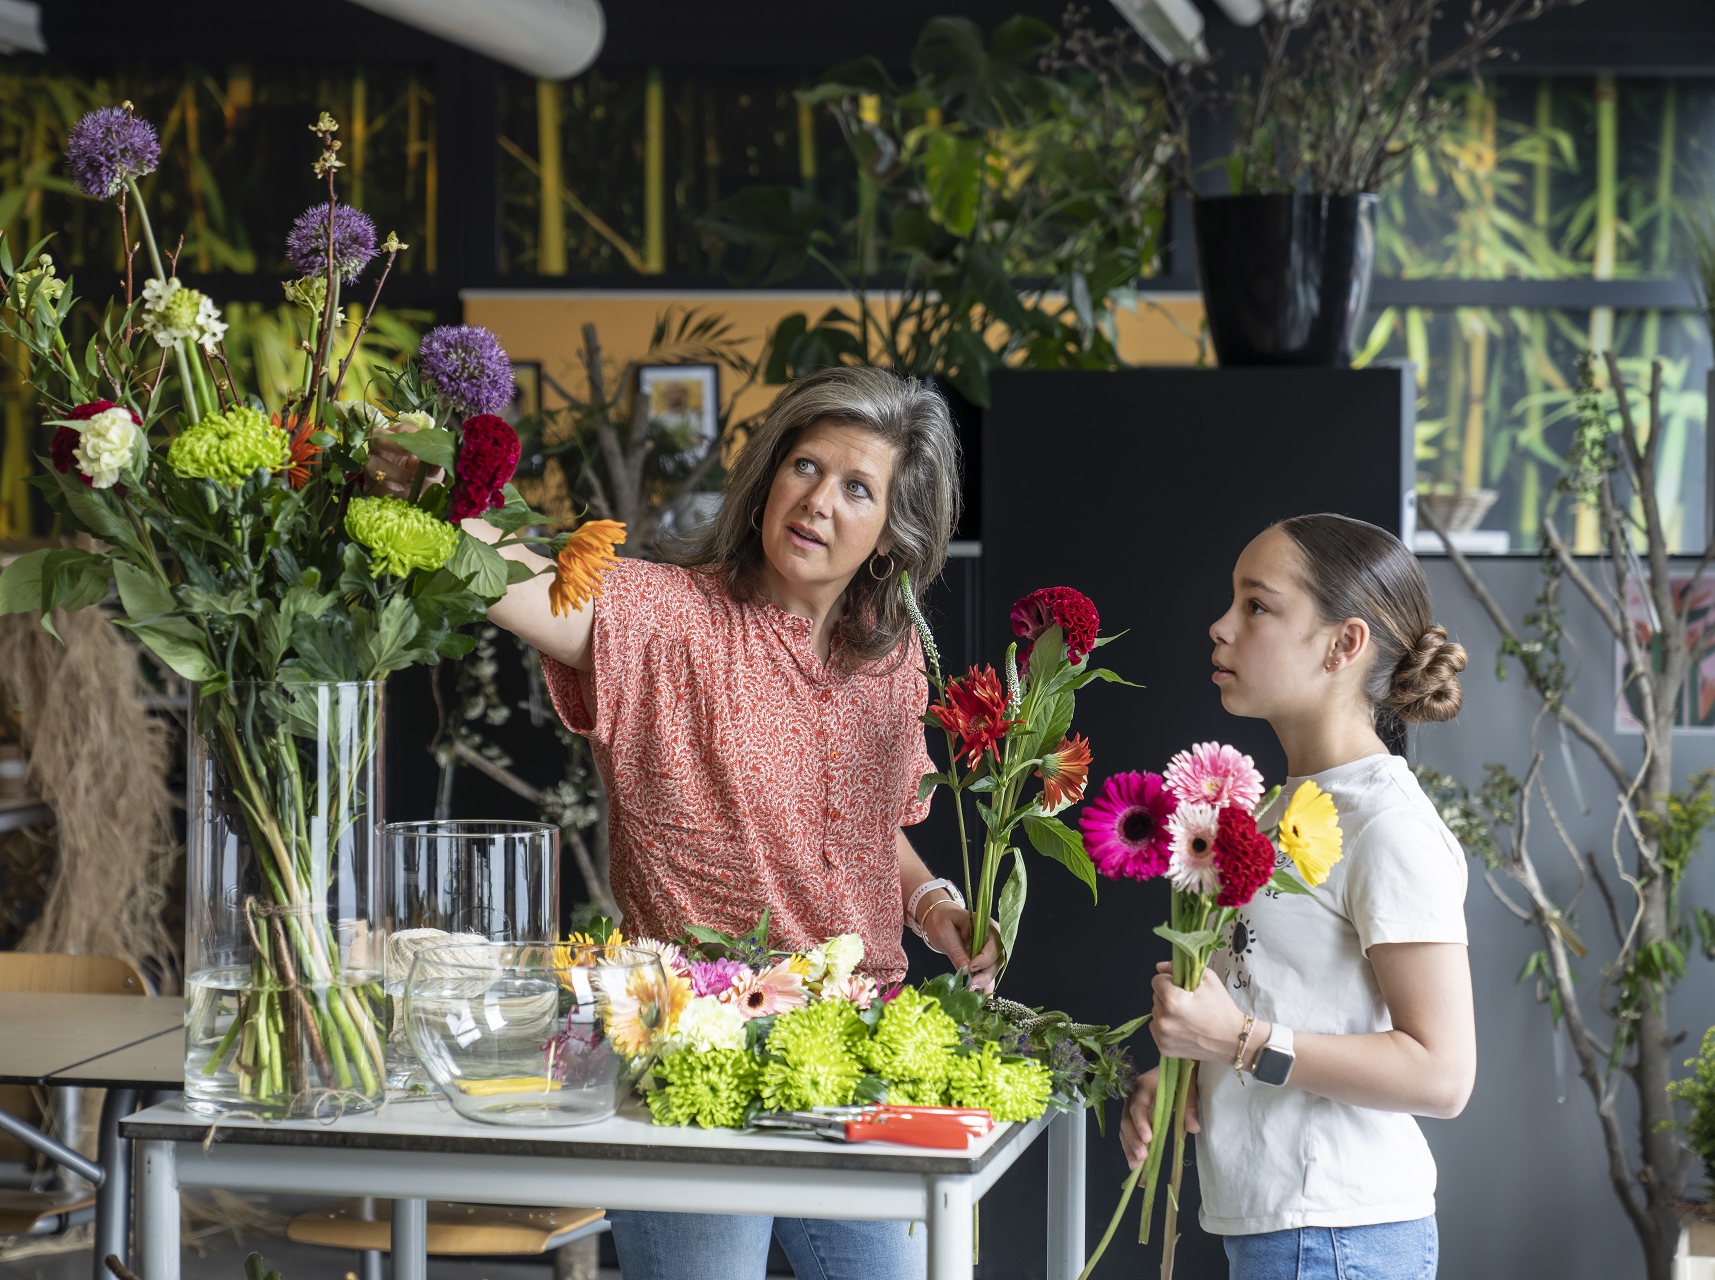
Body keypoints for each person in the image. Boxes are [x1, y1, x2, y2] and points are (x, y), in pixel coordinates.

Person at [394, 364, 996, 1280]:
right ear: (767, 477)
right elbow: (503, 579)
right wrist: (422, 488)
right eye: (804, 466)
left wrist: (934, 902)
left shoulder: (891, 655)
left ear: (889, 536)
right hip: (696, 1049)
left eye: (857, 488)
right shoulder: (667, 617)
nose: (819, 501)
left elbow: (870, 830)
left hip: (858, 1054)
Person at [1119, 513, 1478, 1280]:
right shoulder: (1287, 812)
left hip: (1338, 1236)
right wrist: (1186, 1073)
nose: (1220, 626)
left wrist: (1234, 1042)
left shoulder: (1385, 824)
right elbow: (1291, 1003)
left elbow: (1442, 1074)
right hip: (1288, 1230)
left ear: (1344, 645)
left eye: (1257, 605)